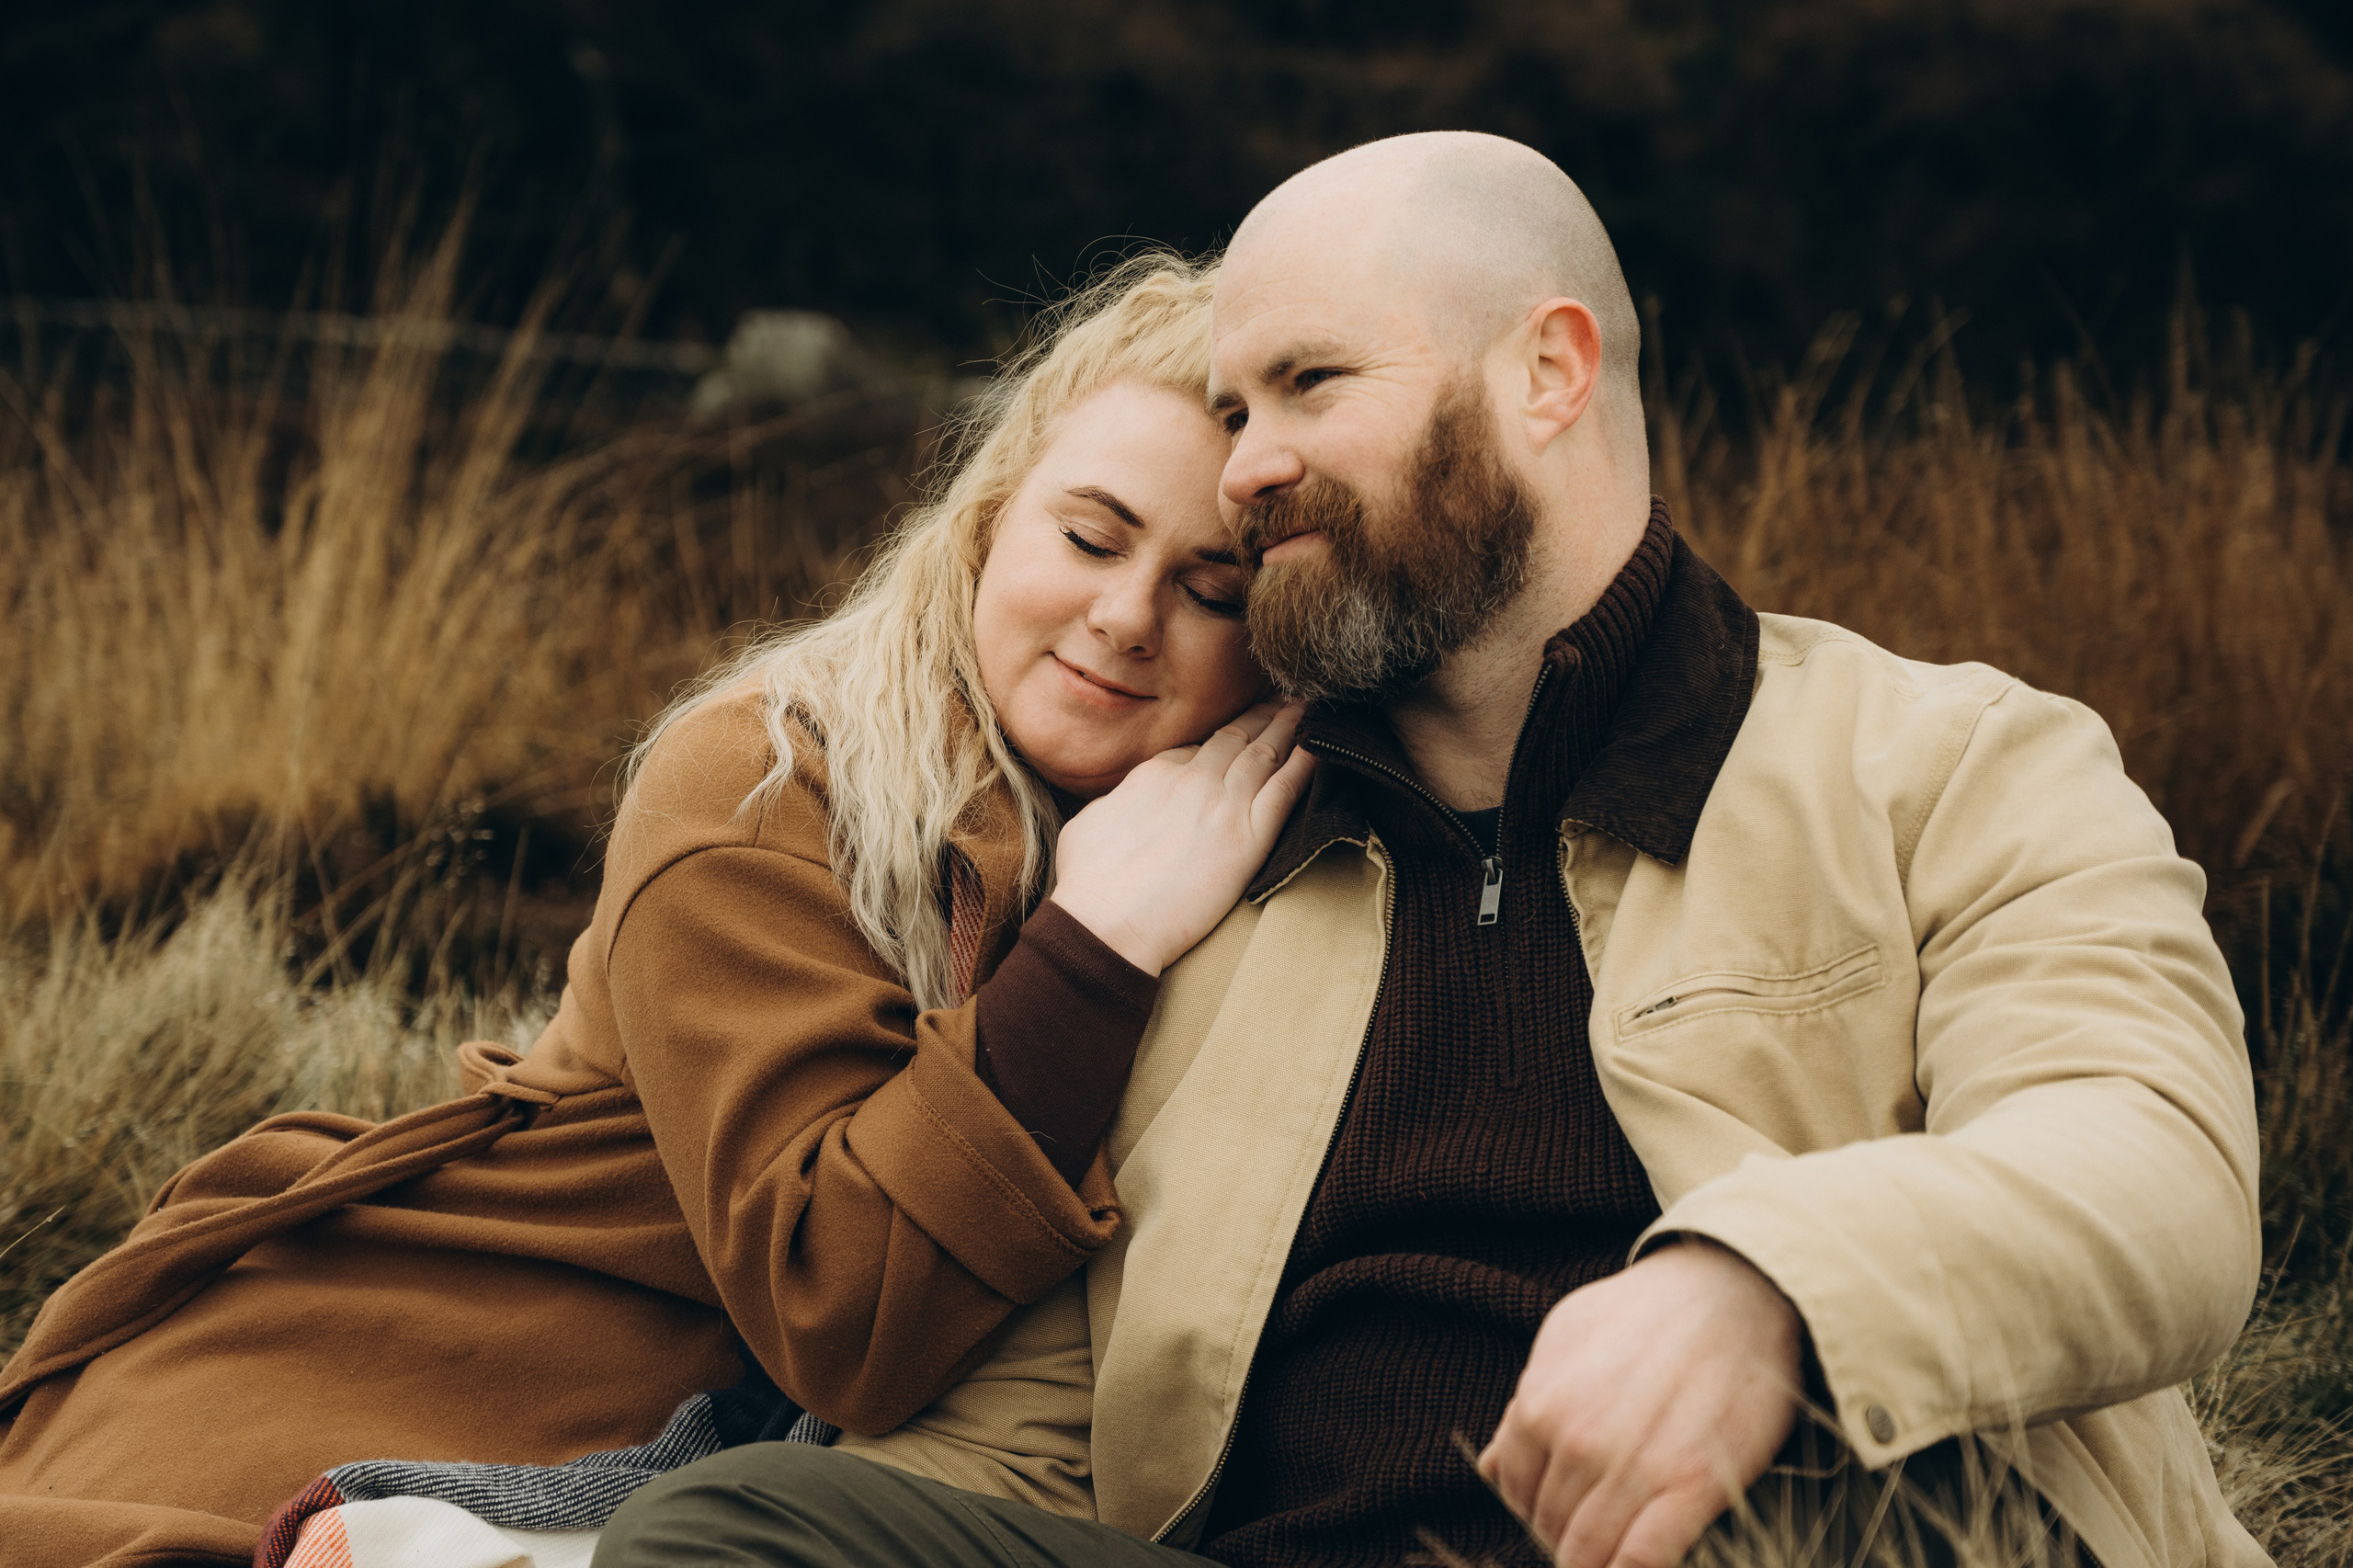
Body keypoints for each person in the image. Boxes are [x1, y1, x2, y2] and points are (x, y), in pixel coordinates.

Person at [597, 133, 2265, 1568]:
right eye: (1237, 404)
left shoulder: (1944, 757)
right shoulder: (1204, 857)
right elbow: (1043, 1430)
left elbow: (2161, 1169)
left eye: (1310, 385)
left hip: (1780, 1530)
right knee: (730, 1535)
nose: (1248, 466)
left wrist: (1766, 1288)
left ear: (1549, 373)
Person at [0, 256, 1318, 1568]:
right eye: (1088, 536)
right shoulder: (759, 781)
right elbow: (839, 1307)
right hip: (464, 1359)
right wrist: (1094, 954)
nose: (1124, 615)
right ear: (988, 520)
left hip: (769, 1471)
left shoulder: (1263, 839)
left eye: (1212, 593)